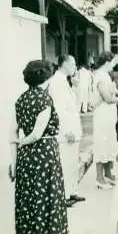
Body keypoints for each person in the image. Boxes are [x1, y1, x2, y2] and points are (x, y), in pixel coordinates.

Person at [9, 60, 69, 234]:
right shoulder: (45, 99)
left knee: (30, 194)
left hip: (26, 157)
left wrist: (14, 162)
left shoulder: (20, 100)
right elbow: (36, 134)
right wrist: (23, 142)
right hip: (44, 152)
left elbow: (12, 132)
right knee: (47, 193)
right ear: (46, 79)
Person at [47, 55, 85, 207]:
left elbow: (74, 106)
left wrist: (76, 87)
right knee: (66, 163)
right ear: (64, 64)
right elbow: (59, 110)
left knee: (72, 163)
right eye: (73, 64)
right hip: (66, 131)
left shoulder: (65, 81)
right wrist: (67, 130)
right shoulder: (57, 82)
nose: (75, 67)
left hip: (73, 129)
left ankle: (71, 191)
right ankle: (64, 195)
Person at [91, 52, 118, 189]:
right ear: (106, 62)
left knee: (109, 143)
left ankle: (108, 172)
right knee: (101, 144)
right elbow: (107, 98)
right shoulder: (100, 76)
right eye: (112, 62)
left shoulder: (105, 75)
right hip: (102, 115)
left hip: (108, 116)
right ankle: (99, 177)